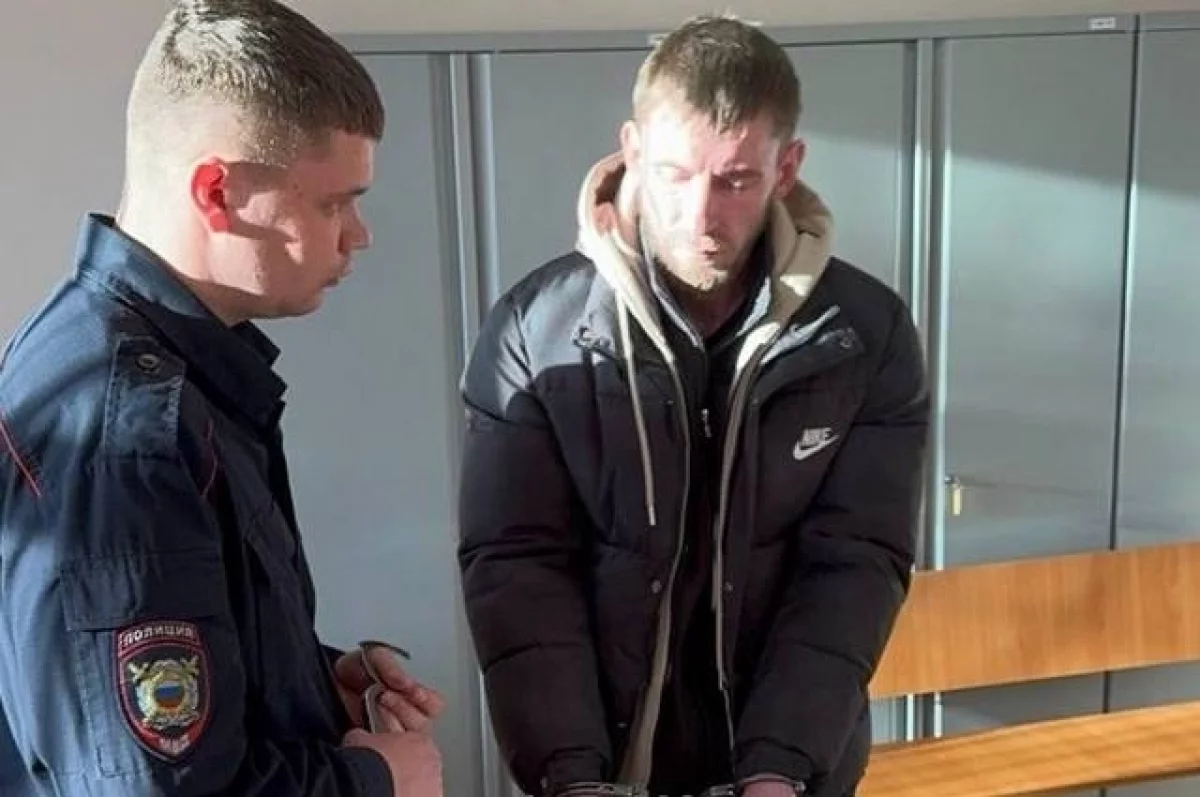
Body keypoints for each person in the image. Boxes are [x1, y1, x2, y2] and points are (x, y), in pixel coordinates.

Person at [457, 14, 929, 797]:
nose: (702, 216)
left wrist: (779, 765)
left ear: (786, 167)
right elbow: (518, 561)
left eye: (736, 180)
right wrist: (571, 773)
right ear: (633, 150)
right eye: (675, 175)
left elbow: (854, 561)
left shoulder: (864, 334)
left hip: (791, 764)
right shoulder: (534, 330)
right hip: (598, 766)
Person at [0, 1, 446, 795]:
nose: (359, 234)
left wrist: (313, 682)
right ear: (218, 191)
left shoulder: (151, 370)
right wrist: (374, 779)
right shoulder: (125, 435)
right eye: (332, 203)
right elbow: (156, 787)